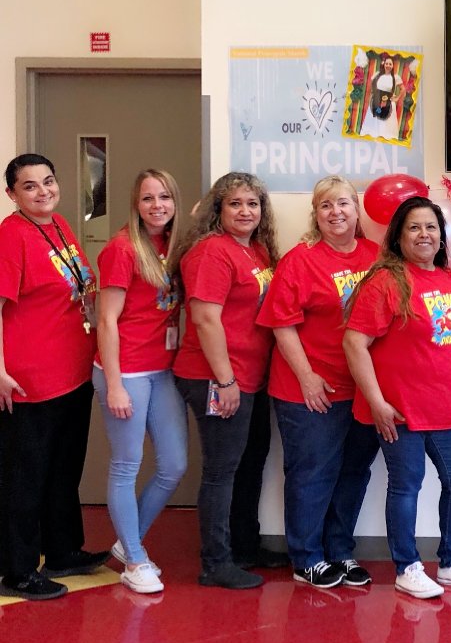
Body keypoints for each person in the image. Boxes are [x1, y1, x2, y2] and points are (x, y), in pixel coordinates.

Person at [343, 196, 451, 599]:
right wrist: (376, 403)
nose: (424, 235)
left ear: (442, 237)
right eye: (414, 227)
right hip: (401, 412)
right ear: (398, 236)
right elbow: (355, 343)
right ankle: (407, 566)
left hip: (448, 412)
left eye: (431, 227)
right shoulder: (386, 281)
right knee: (406, 486)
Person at [258, 175, 381, 589]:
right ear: (315, 213)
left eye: (343, 203)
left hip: (361, 389)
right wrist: (307, 377)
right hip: (308, 389)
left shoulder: (375, 255)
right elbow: (282, 326)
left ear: (356, 209)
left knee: (353, 472)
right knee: (313, 473)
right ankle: (307, 557)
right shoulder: (301, 259)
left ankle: (340, 551)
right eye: (326, 205)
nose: (336, 212)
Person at [0, 153, 108, 600]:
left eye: (48, 181)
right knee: (25, 479)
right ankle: (18, 569)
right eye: (30, 186)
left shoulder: (59, 225)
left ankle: (63, 549)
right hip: (29, 382)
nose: (42, 191)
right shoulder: (11, 236)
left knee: (63, 471)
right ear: (12, 194)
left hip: (72, 373)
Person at [171, 172, 283, 590]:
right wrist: (226, 380)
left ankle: (245, 546)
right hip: (215, 377)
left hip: (249, 378)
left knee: (250, 463)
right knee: (222, 471)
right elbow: (203, 318)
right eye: (235, 203)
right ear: (217, 208)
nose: (245, 211)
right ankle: (215, 562)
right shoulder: (210, 253)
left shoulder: (254, 250)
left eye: (252, 204)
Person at [94, 169, 189, 594]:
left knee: (174, 464)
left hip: (161, 368)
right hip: (126, 370)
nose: (157, 206)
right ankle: (134, 558)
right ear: (136, 204)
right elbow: (106, 320)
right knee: (126, 464)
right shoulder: (121, 248)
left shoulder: (175, 245)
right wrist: (113, 384)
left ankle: (126, 539)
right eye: (148, 198)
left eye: (164, 197)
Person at [361, 54, 403, 141]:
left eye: (390, 64)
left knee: (385, 123)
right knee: (376, 118)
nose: (388, 65)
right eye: (386, 63)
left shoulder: (396, 77)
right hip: (376, 102)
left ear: (392, 66)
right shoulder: (377, 74)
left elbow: (403, 89)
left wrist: (397, 98)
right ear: (384, 64)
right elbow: (371, 86)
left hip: (388, 104)